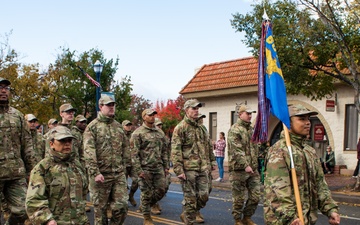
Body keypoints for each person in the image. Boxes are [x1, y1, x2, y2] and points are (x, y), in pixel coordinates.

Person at [264, 104, 340, 225]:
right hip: (284, 221)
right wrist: (291, 218)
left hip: (306, 220)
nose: (308, 122)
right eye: (301, 119)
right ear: (288, 123)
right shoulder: (280, 151)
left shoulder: (309, 151)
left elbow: (320, 184)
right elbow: (278, 191)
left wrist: (330, 209)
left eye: (308, 119)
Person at [26, 126, 89, 225]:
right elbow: (34, 201)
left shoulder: (77, 166)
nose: (67, 143)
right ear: (51, 144)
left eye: (69, 140)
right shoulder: (43, 168)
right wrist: (47, 220)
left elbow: (84, 193)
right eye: (62, 140)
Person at [83, 95, 128, 225]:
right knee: (100, 213)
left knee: (122, 207)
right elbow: (88, 151)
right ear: (101, 107)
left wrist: (124, 168)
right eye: (108, 105)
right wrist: (95, 172)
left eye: (113, 105)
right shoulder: (92, 127)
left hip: (118, 174)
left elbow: (125, 149)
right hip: (100, 175)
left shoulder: (118, 127)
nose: (111, 107)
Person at [171, 99, 216, 225]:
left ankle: (187, 213)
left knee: (204, 195)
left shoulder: (202, 128)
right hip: (188, 169)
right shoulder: (180, 128)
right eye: (193, 108)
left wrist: (212, 162)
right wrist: (178, 170)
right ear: (186, 110)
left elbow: (208, 146)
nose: (196, 111)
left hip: (203, 168)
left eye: (197, 108)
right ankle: (189, 219)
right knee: (190, 199)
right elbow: (175, 150)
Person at [0, 77, 35, 224]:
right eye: (0, 87)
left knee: (23, 211)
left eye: (6, 88)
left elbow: (27, 145)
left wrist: (32, 171)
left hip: (15, 174)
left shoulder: (17, 115)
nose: (3, 91)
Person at [131, 109, 169, 225]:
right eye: (150, 115)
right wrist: (138, 170)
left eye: (154, 115)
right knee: (146, 193)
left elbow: (164, 151)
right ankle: (147, 217)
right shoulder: (138, 133)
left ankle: (146, 205)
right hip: (145, 168)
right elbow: (134, 153)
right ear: (144, 117)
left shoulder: (159, 133)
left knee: (161, 190)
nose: (152, 117)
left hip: (158, 167)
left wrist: (166, 166)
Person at [227, 105, 260, 225]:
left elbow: (255, 147)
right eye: (248, 113)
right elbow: (236, 150)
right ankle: (237, 219)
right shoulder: (235, 130)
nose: (250, 116)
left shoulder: (251, 130)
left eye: (251, 114)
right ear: (240, 114)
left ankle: (247, 217)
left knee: (256, 196)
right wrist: (246, 165)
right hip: (239, 170)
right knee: (239, 198)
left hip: (253, 169)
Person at [122, 119, 138, 207]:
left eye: (130, 125)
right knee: (122, 184)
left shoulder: (133, 136)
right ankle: (123, 201)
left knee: (137, 180)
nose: (129, 127)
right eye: (127, 125)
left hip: (132, 163)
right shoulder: (120, 135)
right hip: (123, 164)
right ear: (123, 126)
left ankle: (131, 196)